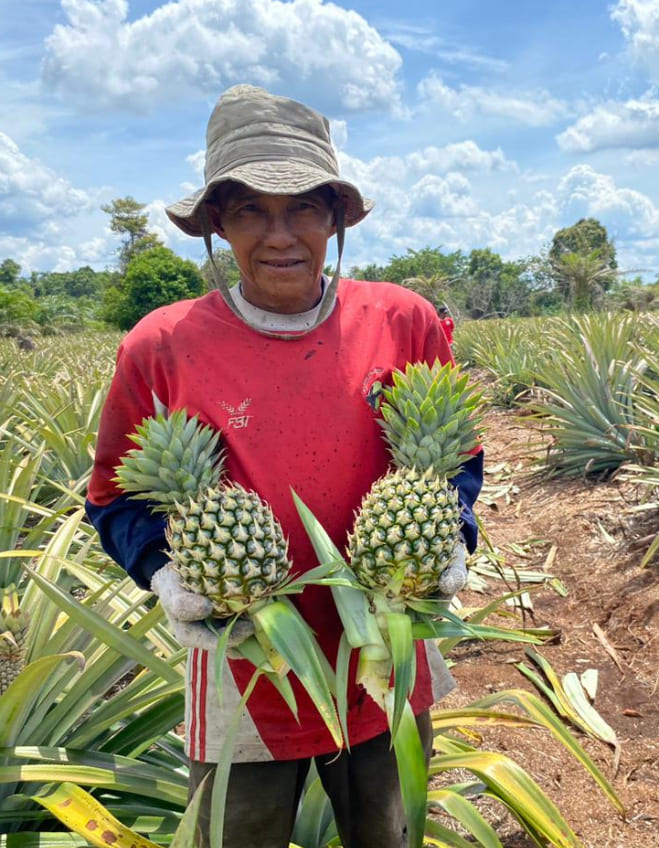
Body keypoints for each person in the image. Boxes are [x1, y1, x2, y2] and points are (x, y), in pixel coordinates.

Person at [84, 84, 483, 848]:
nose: (279, 235)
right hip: (241, 668)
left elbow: (459, 456)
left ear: (335, 216)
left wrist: (453, 534)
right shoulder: (159, 346)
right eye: (250, 212)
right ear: (217, 227)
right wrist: (163, 575)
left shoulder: (403, 319)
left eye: (302, 206)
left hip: (387, 657)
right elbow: (112, 497)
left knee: (391, 832)